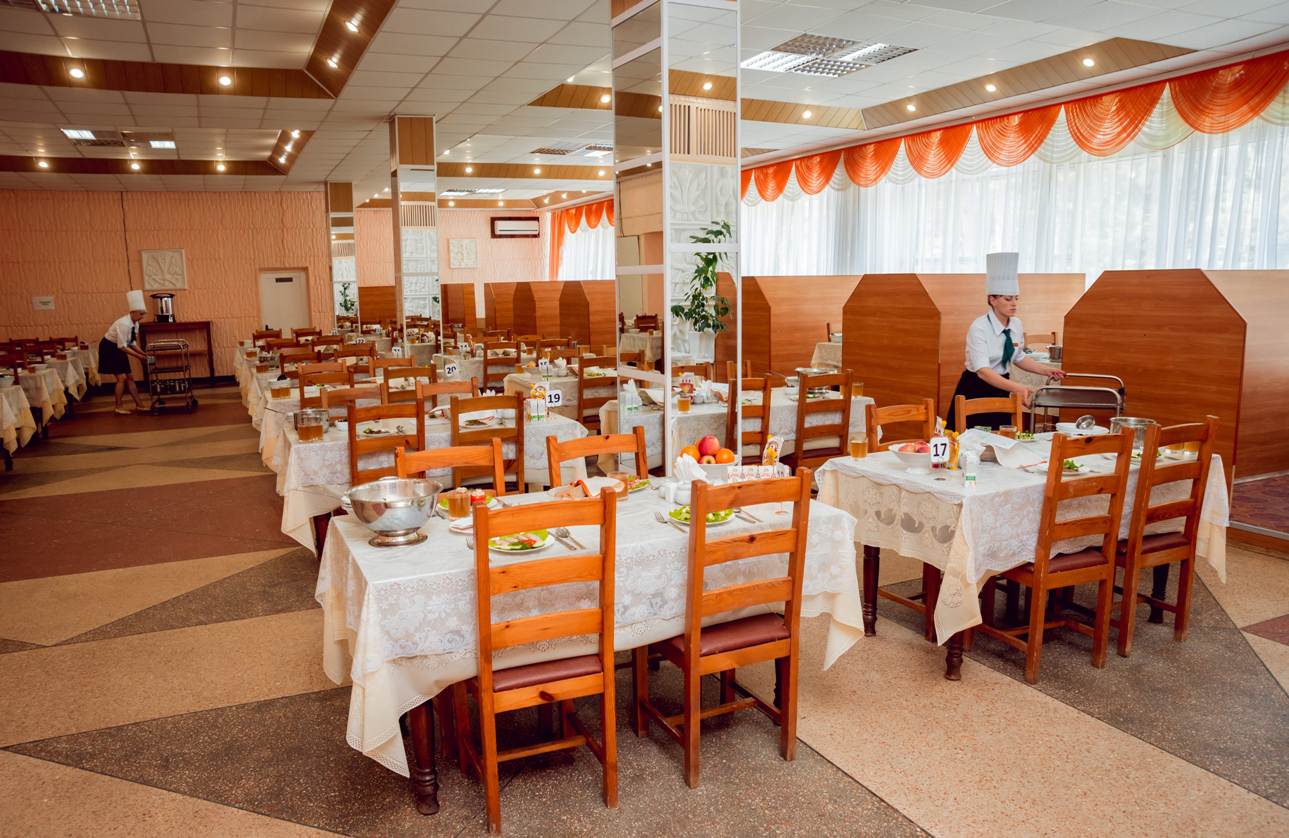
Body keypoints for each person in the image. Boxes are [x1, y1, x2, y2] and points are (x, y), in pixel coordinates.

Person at [945, 252, 1064, 430]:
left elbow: (1018, 356)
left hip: (1002, 386)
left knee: (1000, 437)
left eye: (1016, 298)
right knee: (970, 438)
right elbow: (983, 372)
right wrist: (1018, 388)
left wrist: (1044, 370)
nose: (1014, 304)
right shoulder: (979, 327)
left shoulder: (1016, 324)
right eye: (1008, 299)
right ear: (992, 299)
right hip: (976, 388)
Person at [99, 290, 152, 415]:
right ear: (132, 312)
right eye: (140, 314)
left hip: (118, 347)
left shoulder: (135, 324)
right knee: (121, 378)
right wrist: (139, 356)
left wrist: (144, 354)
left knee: (130, 377)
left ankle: (139, 405)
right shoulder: (124, 324)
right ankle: (118, 406)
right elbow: (122, 346)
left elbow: (132, 343)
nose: (142, 317)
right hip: (109, 348)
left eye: (143, 314)